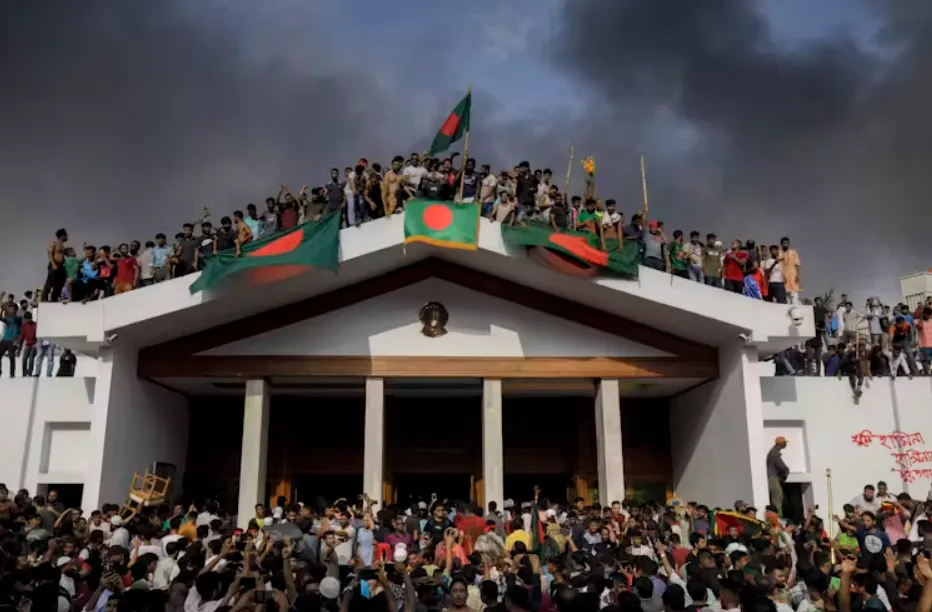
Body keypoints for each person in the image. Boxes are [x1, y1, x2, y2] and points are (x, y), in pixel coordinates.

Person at [42, 228, 69, 302]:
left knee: (60, 283)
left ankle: (54, 299)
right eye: (66, 235)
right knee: (50, 282)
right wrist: (53, 264)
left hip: (61, 266)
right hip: (54, 264)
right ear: (62, 236)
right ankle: (44, 298)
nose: (67, 237)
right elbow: (49, 253)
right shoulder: (54, 243)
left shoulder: (63, 246)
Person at [766, 436, 789, 516]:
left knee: (778, 498)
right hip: (773, 478)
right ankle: (778, 517)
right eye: (785, 443)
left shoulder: (773, 452)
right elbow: (782, 467)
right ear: (781, 444)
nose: (786, 444)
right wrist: (785, 473)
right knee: (777, 500)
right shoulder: (774, 454)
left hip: (773, 477)